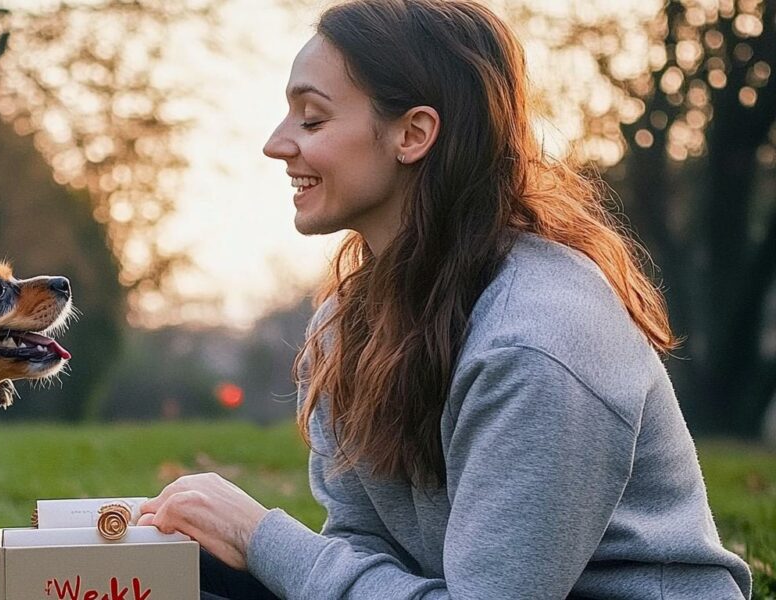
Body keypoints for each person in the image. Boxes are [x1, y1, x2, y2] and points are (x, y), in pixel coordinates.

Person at [136, 0, 754, 598]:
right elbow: (359, 554)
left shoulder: (536, 339)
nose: (277, 144)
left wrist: (259, 536)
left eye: (313, 119)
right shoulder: (347, 326)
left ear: (413, 134)